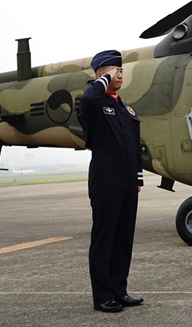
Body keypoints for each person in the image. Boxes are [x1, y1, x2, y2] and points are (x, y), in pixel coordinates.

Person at [77, 50, 144, 313]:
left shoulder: (125, 108)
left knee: (123, 238)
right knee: (104, 239)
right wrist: (102, 81)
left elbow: (134, 144)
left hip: (128, 183)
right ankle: (102, 296)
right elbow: (88, 99)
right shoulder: (93, 103)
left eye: (121, 70)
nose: (119, 74)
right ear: (99, 75)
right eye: (113, 70)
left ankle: (119, 290)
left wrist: (138, 176)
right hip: (106, 181)